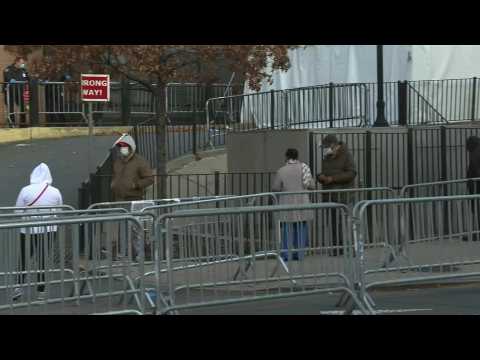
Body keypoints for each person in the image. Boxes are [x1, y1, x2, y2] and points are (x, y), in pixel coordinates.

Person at [13, 163, 63, 301]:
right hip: (49, 230)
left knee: (23, 257)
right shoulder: (55, 191)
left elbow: (17, 211)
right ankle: (41, 290)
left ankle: (17, 287)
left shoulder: (25, 190)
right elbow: (60, 211)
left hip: (27, 230)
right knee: (42, 259)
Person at [111, 134, 154, 259]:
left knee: (135, 228)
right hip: (120, 199)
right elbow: (116, 176)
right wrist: (113, 185)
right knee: (123, 228)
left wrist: (136, 185)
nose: (122, 149)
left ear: (131, 147)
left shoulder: (140, 161)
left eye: (124, 146)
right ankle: (124, 253)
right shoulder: (118, 161)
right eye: (120, 147)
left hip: (134, 199)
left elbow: (150, 179)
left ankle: (139, 253)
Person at [272, 148, 315, 262]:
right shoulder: (304, 168)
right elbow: (311, 185)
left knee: (287, 229)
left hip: (287, 204)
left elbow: (275, 187)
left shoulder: (281, 170)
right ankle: (300, 254)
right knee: (301, 228)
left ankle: (287, 255)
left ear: (286, 157)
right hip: (302, 203)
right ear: (297, 156)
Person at [316, 134, 357, 256]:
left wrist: (332, 179)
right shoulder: (327, 157)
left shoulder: (347, 155)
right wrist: (320, 177)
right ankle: (337, 248)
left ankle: (350, 248)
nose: (325, 149)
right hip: (330, 195)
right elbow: (324, 172)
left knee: (346, 223)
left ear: (334, 145)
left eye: (327, 146)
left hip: (344, 195)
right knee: (333, 223)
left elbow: (352, 173)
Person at [3, 56, 30, 128]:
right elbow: (8, 77)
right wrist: (11, 80)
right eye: (21, 63)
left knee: (22, 108)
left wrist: (34, 79)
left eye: (23, 63)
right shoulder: (8, 69)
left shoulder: (23, 70)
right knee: (11, 109)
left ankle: (23, 124)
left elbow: (28, 78)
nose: (23, 64)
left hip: (20, 92)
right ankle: (12, 124)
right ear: (17, 62)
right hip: (10, 92)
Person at [465, 136, 480, 241]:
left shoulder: (476, 152)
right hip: (475, 186)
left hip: (476, 187)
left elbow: (476, 169)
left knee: (478, 209)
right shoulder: (475, 151)